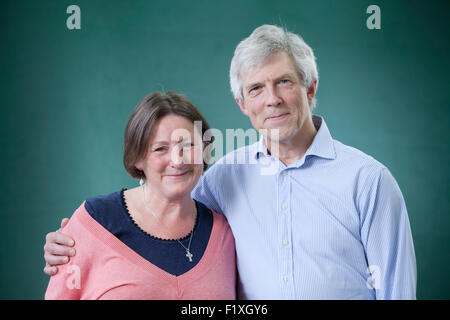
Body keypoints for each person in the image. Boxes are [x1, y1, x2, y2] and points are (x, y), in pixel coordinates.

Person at [43, 25, 416, 299]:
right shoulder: (222, 179)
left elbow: (397, 290)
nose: (272, 99)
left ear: (310, 87)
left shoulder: (368, 181)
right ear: (243, 105)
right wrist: (76, 239)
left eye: (284, 82)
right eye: (256, 88)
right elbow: (165, 207)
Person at [44, 91, 236, 299]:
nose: (178, 161)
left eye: (188, 145)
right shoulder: (95, 222)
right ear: (137, 158)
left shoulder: (224, 233)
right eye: (160, 149)